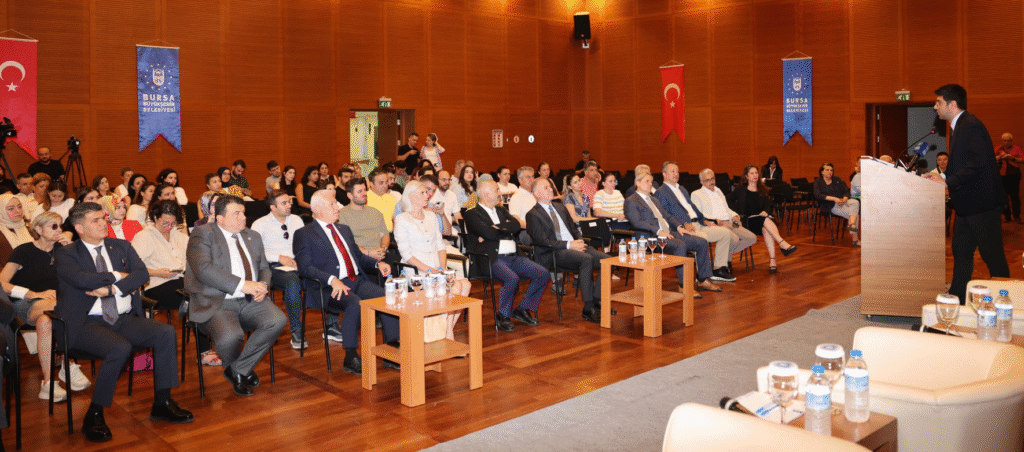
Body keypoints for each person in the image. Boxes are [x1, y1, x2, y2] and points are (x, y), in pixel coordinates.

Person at [56, 202, 193, 442]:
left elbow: (141, 274)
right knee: (119, 348)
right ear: (79, 228)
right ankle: (94, 413)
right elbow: (81, 279)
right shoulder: (67, 253)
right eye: (95, 220)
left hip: (122, 318)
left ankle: (162, 402)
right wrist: (118, 275)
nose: (103, 223)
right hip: (85, 322)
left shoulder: (120, 246)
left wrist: (112, 289)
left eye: (103, 218)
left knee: (165, 332)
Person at [184, 195, 287, 397]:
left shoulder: (253, 236)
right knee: (230, 338)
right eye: (236, 213)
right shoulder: (203, 234)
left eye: (243, 212)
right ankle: (241, 368)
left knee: (277, 320)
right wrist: (243, 285)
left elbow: (264, 268)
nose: (243, 217)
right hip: (218, 300)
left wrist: (263, 285)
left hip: (251, 300)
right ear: (219, 218)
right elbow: (203, 269)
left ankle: (238, 370)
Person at [294, 190, 400, 374]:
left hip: (354, 280)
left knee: (386, 298)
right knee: (355, 303)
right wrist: (331, 279)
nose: (337, 207)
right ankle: (350, 357)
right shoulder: (305, 233)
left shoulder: (343, 229)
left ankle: (390, 351)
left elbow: (358, 257)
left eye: (336, 203)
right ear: (318, 209)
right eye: (332, 204)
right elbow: (304, 267)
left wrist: (378, 264)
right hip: (326, 287)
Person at [923, 84, 1010, 304]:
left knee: (992, 255)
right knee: (961, 250)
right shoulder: (960, 126)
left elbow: (978, 163)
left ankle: (1009, 301)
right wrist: (942, 177)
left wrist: (946, 181)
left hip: (982, 205)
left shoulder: (970, 126)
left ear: (952, 104)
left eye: (938, 102)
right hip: (967, 206)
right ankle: (957, 297)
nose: (935, 107)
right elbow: (965, 163)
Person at [0, 212, 85, 402]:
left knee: (46, 321)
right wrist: (31, 293)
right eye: (53, 226)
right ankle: (67, 361)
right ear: (38, 229)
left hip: (54, 305)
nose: (59, 230)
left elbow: (82, 276)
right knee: (67, 303)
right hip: (27, 303)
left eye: (60, 225)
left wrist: (71, 250)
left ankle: (47, 384)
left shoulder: (62, 250)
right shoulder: (23, 251)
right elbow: (2, 282)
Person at [464, 180, 549, 332]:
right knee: (512, 279)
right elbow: (488, 233)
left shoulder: (501, 210)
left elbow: (515, 226)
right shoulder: (472, 213)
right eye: (497, 190)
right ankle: (503, 315)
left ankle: (522, 309)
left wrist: (496, 228)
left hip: (514, 256)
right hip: (492, 259)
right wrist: (503, 229)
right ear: (486, 194)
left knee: (542, 274)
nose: (500, 193)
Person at [394, 181, 471, 338]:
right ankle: (448, 333)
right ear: (410, 196)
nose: (427, 195)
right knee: (455, 287)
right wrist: (430, 270)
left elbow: (440, 246)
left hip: (437, 266)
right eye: (422, 193)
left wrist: (442, 268)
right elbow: (407, 255)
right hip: (416, 269)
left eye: (427, 192)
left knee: (466, 285)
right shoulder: (402, 219)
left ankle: (447, 329)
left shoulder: (431, 216)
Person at [526, 178, 608, 323]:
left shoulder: (560, 207)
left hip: (573, 246)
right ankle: (588, 308)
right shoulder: (533, 214)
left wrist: (580, 241)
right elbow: (543, 242)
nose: (551, 189)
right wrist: (570, 245)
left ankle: (597, 301)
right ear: (536, 193)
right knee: (586, 259)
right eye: (546, 188)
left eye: (550, 186)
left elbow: (574, 229)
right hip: (553, 252)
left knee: (607, 261)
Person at [625, 173, 721, 295]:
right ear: (637, 183)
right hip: (651, 238)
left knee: (701, 242)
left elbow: (668, 216)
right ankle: (684, 285)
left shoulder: (653, 199)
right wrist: (658, 231)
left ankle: (702, 280)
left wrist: (680, 227)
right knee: (680, 245)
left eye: (651, 181)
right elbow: (637, 223)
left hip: (668, 233)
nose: (650, 184)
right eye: (647, 181)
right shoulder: (631, 201)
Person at [656, 162, 736, 280]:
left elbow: (693, 207)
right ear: (664, 174)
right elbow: (666, 215)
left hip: (697, 223)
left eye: (677, 171)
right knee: (703, 238)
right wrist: (683, 224)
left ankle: (718, 269)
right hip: (683, 227)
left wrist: (704, 220)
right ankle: (702, 277)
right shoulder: (661, 192)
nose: (676, 174)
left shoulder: (681, 189)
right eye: (672, 171)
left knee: (725, 233)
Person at [250, 190, 307, 349]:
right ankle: (296, 329)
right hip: (274, 267)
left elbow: (304, 244)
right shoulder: (259, 224)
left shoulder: (296, 220)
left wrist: (300, 259)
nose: (289, 205)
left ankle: (331, 325)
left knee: (327, 273)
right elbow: (255, 252)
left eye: (289, 201)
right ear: (272, 207)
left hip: (298, 264)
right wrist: (279, 257)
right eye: (284, 203)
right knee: (292, 282)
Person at [727, 165, 798, 273]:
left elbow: (768, 205)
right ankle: (781, 243)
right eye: (752, 173)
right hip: (748, 221)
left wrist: (765, 211)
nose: (755, 175)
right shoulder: (741, 189)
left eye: (756, 173)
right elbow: (728, 200)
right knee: (765, 221)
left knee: (766, 227)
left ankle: (773, 261)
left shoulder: (762, 189)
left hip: (761, 220)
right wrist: (737, 213)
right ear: (746, 176)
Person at [690, 168, 756, 278]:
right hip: (716, 224)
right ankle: (722, 264)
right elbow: (698, 213)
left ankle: (725, 258)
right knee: (734, 239)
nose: (711, 182)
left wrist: (735, 216)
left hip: (729, 222)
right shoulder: (697, 194)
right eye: (707, 180)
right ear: (701, 182)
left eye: (712, 178)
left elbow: (727, 209)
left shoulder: (718, 191)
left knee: (751, 238)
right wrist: (714, 219)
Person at [337, 178, 389, 266]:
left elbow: (385, 235)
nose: (364, 193)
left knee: (399, 266)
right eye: (360, 191)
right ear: (350, 195)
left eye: (365, 190)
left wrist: (383, 249)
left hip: (380, 255)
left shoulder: (375, 212)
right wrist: (368, 253)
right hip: (358, 257)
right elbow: (346, 242)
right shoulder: (341, 215)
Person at [812, 163, 861, 246]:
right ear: (822, 172)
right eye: (827, 170)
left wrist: (844, 199)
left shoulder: (837, 179)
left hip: (842, 201)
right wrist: (835, 199)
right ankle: (855, 239)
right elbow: (818, 195)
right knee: (854, 214)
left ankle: (852, 224)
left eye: (831, 170)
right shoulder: (818, 182)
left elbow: (846, 191)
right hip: (830, 205)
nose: (830, 172)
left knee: (855, 202)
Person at [995, 133, 1023, 223]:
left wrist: (1012, 158)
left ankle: (1017, 217)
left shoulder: (1016, 148)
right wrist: (1000, 156)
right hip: (1002, 176)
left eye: (1008, 140)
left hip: (1014, 176)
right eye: (1004, 140)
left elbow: (1022, 159)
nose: (1006, 142)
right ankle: (1007, 216)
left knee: (1015, 197)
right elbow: (991, 159)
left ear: (1011, 141)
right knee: (1003, 197)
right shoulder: (998, 148)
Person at [0, 194, 34, 264]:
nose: (18, 211)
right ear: (1, 211)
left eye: (19, 207)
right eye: (11, 209)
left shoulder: (30, 230)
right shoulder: (1, 234)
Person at [507, 166, 537, 232]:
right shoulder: (516, 198)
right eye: (528, 177)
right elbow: (516, 221)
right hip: (527, 232)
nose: (532, 180)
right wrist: (534, 228)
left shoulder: (536, 194)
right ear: (520, 180)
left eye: (533, 177)